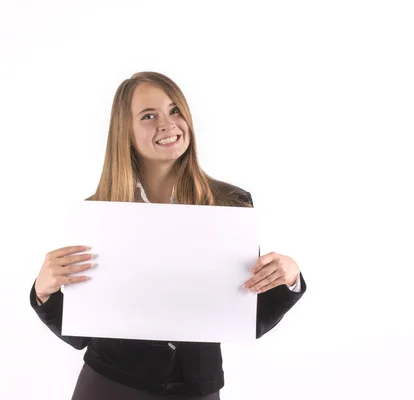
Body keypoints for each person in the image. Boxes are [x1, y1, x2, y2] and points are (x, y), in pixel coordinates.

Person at [29, 71, 307, 399]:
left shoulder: (230, 205)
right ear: (125, 132)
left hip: (195, 388)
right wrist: (44, 291)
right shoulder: (99, 214)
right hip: (110, 384)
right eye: (149, 116)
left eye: (175, 110)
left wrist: (290, 277)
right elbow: (82, 333)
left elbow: (247, 318)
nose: (167, 123)